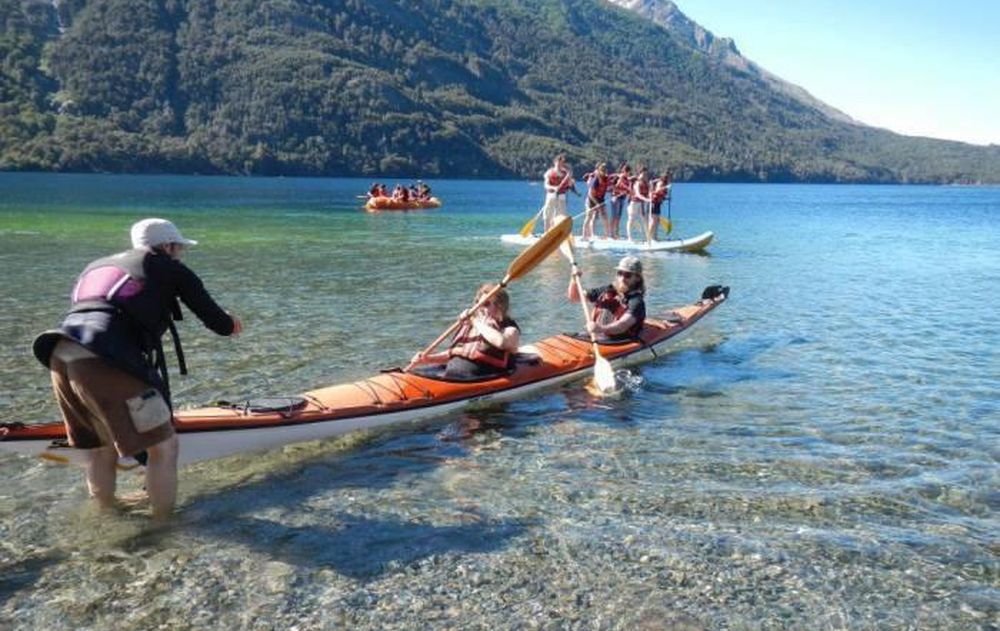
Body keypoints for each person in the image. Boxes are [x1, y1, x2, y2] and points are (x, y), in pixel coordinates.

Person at [32, 218, 242, 520]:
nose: (180, 254)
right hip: (102, 358)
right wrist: (231, 323)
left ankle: (105, 517)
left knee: (101, 447)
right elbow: (217, 322)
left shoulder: (97, 266)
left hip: (59, 353)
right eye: (179, 248)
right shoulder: (168, 267)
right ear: (168, 246)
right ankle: (163, 527)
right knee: (164, 447)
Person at [410, 284, 520, 380]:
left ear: (502, 306)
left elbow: (502, 342)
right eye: (481, 303)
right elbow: (454, 353)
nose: (481, 307)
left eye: (495, 303)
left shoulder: (509, 328)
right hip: (452, 378)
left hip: (481, 380)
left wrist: (474, 321)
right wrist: (427, 359)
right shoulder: (470, 326)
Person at [567, 256, 646, 342]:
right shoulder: (608, 290)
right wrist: (574, 280)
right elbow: (575, 297)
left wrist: (600, 328)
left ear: (637, 278)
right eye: (620, 273)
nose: (622, 279)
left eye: (628, 275)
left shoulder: (636, 302)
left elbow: (622, 325)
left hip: (618, 341)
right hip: (597, 336)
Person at [541, 154, 574, 232]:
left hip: (561, 196)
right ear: (555, 162)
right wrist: (553, 188)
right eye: (559, 162)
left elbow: (569, 184)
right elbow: (546, 185)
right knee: (548, 215)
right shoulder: (549, 172)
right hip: (551, 195)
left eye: (562, 163)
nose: (560, 164)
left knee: (561, 216)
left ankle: (557, 232)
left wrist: (570, 181)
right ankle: (546, 232)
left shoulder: (565, 173)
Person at [583, 162, 611, 240]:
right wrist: (596, 204)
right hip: (591, 199)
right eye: (602, 170)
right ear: (599, 170)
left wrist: (613, 191)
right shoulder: (595, 179)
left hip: (600, 199)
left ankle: (606, 235)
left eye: (605, 170)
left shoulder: (606, 178)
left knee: (605, 216)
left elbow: (607, 188)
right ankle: (584, 236)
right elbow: (590, 193)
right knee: (589, 216)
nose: (604, 172)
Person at [626, 167, 652, 242]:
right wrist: (646, 199)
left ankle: (648, 238)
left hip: (641, 204)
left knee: (644, 220)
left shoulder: (647, 183)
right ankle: (629, 238)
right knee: (631, 219)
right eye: (643, 174)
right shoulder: (637, 183)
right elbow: (638, 194)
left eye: (645, 174)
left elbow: (650, 192)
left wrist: (650, 196)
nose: (644, 175)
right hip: (634, 203)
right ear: (640, 174)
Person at [608, 162, 631, 239]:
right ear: (623, 171)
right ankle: (611, 234)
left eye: (628, 172)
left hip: (622, 199)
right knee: (614, 216)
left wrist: (627, 192)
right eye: (626, 172)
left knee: (618, 217)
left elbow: (627, 189)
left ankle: (616, 233)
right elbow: (614, 187)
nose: (627, 174)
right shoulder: (619, 178)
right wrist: (619, 192)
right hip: (616, 198)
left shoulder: (627, 179)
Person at [648, 170, 672, 241]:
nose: (669, 179)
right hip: (654, 203)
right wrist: (666, 187)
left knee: (657, 221)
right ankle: (649, 237)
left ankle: (654, 237)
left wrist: (667, 198)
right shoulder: (660, 183)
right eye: (668, 178)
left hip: (658, 203)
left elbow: (661, 195)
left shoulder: (664, 184)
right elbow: (657, 191)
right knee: (653, 221)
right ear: (665, 178)